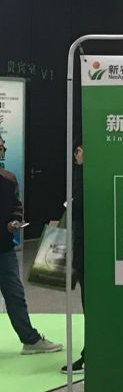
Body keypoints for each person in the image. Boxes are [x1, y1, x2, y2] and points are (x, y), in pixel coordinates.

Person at [0, 135, 62, 355]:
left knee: (15, 295)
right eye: (0, 146)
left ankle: (30, 340)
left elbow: (17, 206)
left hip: (4, 249)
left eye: (3, 146)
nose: (3, 149)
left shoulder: (9, 179)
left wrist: (14, 221)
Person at [60, 144, 85, 373]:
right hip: (85, 250)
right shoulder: (80, 173)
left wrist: (71, 204)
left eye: (79, 150)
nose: (77, 154)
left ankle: (90, 353)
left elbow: (79, 206)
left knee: (92, 304)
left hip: (89, 250)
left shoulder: (86, 174)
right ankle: (89, 352)